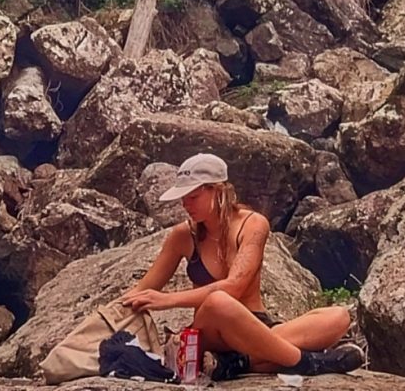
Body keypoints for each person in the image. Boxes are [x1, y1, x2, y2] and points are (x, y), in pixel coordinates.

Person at [119, 153, 362, 378]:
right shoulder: (182, 236)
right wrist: (106, 318)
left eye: (193, 197)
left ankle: (237, 363)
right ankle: (306, 363)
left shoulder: (253, 224)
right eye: (183, 198)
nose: (186, 205)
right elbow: (142, 289)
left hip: (256, 323)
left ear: (218, 191)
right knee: (218, 302)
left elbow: (235, 286)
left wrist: (167, 300)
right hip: (212, 331)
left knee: (338, 316)